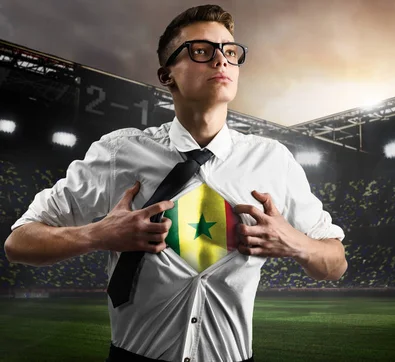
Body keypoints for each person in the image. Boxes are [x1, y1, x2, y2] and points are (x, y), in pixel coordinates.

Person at [3, 4, 347, 362]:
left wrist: (296, 243)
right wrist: (98, 235)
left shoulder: (273, 160)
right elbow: (19, 242)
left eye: (230, 51)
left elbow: (335, 262)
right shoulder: (119, 152)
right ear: (167, 75)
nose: (221, 61)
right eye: (202, 51)